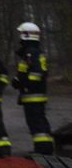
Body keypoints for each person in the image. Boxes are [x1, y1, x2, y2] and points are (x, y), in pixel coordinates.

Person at [12, 21, 55, 154]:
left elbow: (36, 74)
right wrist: (19, 80)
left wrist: (21, 83)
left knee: (36, 124)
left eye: (21, 34)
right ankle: (46, 149)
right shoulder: (34, 51)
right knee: (40, 122)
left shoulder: (30, 52)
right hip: (34, 95)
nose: (19, 37)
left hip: (32, 96)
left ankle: (42, 151)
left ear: (25, 35)